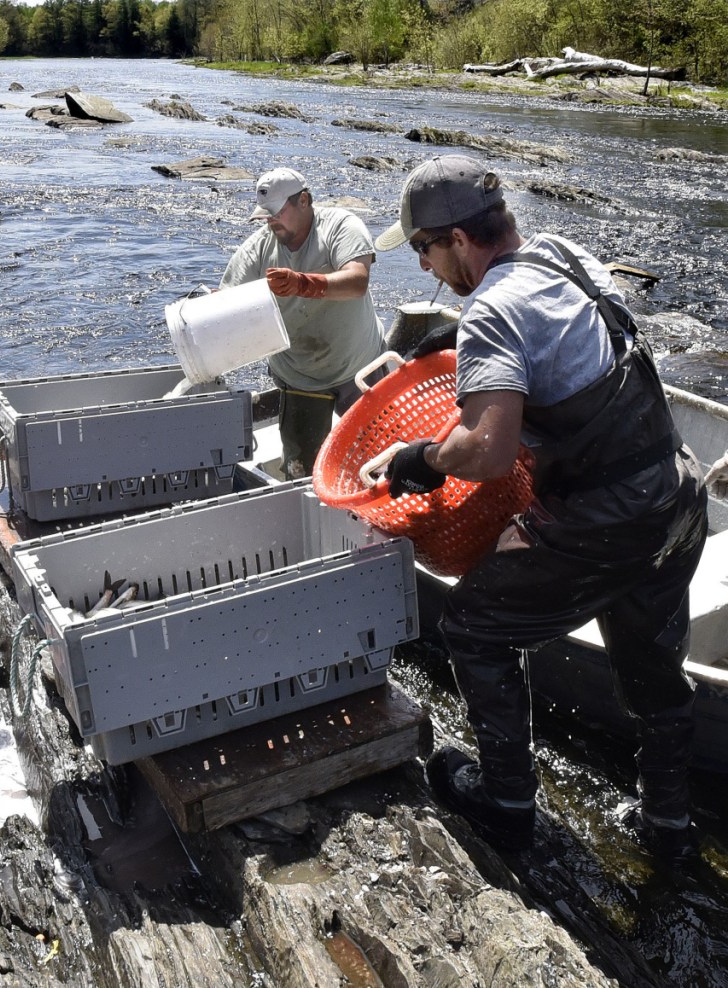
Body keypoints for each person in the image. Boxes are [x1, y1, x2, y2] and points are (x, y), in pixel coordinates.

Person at [375, 154, 708, 857]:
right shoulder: (561, 254)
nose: (426, 270)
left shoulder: (493, 309)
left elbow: (491, 451)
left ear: (458, 240)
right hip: (675, 496)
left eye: (423, 251)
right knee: (653, 676)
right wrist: (455, 335)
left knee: (473, 626)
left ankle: (507, 805)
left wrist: (423, 459)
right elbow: (565, 341)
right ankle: (667, 825)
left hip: (606, 519)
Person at [220, 168, 386, 479]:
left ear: (304, 201)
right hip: (299, 375)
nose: (271, 221)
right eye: (266, 215)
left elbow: (357, 281)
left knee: (379, 462)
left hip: (359, 365)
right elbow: (226, 303)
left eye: (277, 213)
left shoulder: (341, 226)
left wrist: (303, 285)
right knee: (302, 472)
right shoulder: (259, 248)